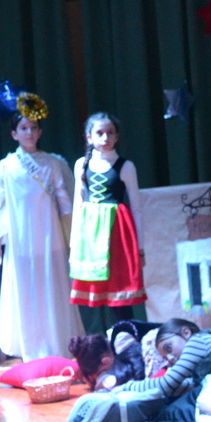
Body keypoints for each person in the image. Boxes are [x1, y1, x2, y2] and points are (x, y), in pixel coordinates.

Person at [0, 95, 82, 360]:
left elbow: (65, 203)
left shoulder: (53, 163)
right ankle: (32, 350)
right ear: (14, 133)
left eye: (33, 128)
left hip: (50, 237)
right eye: (23, 128)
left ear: (40, 132)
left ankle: (58, 347)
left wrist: (73, 236)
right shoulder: (6, 166)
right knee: (27, 294)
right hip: (21, 241)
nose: (29, 133)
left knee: (53, 291)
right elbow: (3, 207)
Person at [62, 318, 211, 422]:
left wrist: (126, 387)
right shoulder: (195, 362)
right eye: (165, 357)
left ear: (185, 332)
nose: (171, 358)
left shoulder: (199, 340)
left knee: (167, 416)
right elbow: (183, 385)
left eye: (169, 348)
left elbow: (167, 383)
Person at [68, 113, 146, 317]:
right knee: (96, 289)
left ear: (116, 137)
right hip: (90, 233)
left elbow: (137, 208)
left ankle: (126, 332)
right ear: (89, 137)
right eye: (99, 133)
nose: (105, 138)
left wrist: (140, 248)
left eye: (110, 133)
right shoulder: (82, 165)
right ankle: (106, 335)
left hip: (117, 232)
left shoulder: (125, 166)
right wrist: (74, 242)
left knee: (118, 291)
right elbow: (78, 203)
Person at [67, 319, 159, 390]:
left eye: (103, 371)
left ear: (106, 360)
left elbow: (140, 374)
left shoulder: (122, 340)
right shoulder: (113, 346)